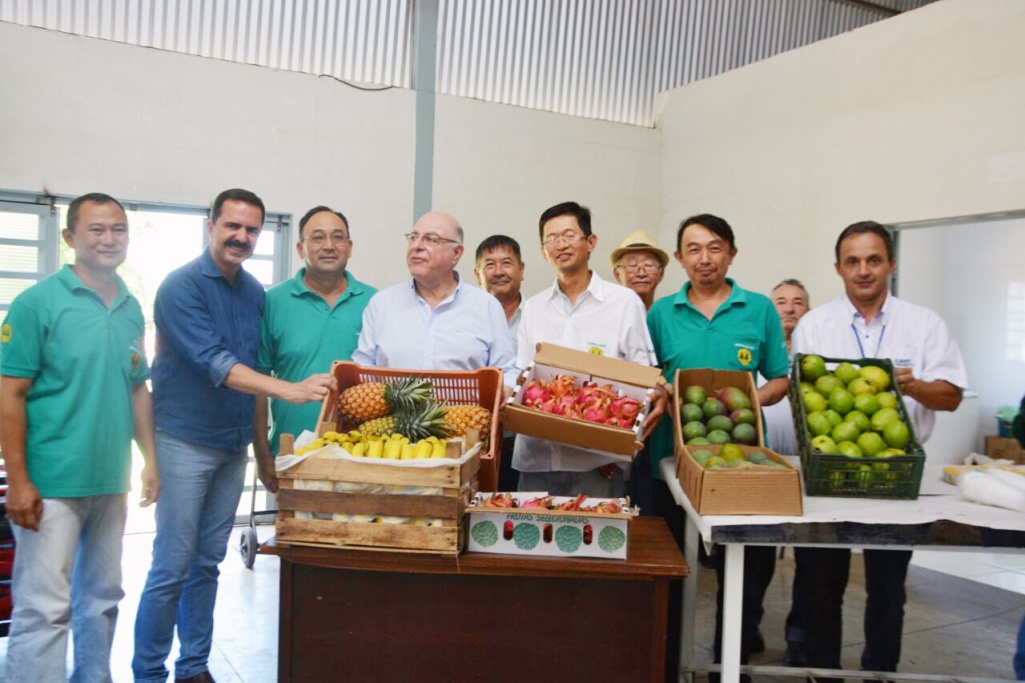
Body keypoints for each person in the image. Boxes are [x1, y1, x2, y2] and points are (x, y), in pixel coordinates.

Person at [133, 189, 336, 683]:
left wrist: (258, 448)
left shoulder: (251, 293)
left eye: (251, 230)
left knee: (207, 562)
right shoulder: (180, 287)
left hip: (231, 447)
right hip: (183, 441)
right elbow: (219, 365)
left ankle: (193, 667)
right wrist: (290, 390)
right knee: (172, 565)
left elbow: (251, 369)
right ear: (211, 226)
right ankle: (148, 672)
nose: (241, 238)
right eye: (232, 227)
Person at [791, 220, 968, 681]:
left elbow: (950, 396)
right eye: (853, 261)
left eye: (873, 260)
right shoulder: (815, 325)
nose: (863, 270)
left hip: (895, 478)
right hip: (829, 476)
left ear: (891, 263)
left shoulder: (923, 324)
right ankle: (821, 671)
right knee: (821, 586)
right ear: (838, 268)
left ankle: (881, 672)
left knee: (888, 589)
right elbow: (806, 400)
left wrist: (915, 385)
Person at [0, 193, 159, 682]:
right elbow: (10, 394)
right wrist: (20, 482)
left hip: (110, 483)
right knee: (44, 608)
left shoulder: (131, 309)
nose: (109, 239)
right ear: (70, 237)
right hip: (51, 484)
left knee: (102, 598)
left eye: (118, 229)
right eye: (96, 229)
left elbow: (137, 389)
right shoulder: (37, 304)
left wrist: (149, 460)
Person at [646, 213, 790, 681]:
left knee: (742, 575)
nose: (704, 258)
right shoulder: (661, 313)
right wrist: (661, 392)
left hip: (741, 461)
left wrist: (750, 399)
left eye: (714, 247)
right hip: (670, 461)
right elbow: (647, 375)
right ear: (680, 258)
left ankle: (732, 666)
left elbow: (780, 378)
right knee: (670, 573)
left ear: (731, 252)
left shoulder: (759, 309)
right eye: (693, 249)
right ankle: (667, 667)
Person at [512, 201, 666, 499]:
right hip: (537, 461)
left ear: (590, 242)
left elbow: (643, 378)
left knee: (593, 543)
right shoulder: (533, 309)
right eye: (551, 239)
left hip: (598, 464)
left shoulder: (623, 303)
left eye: (569, 235)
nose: (561, 245)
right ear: (544, 251)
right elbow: (523, 376)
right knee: (533, 542)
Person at [253, 205, 376, 493]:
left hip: (362, 454)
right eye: (317, 238)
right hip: (292, 452)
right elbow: (257, 388)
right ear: (300, 248)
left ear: (350, 246)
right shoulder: (272, 302)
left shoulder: (376, 302)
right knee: (296, 536)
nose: (329, 246)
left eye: (338, 237)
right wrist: (262, 457)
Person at [352, 211, 518, 385]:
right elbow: (363, 366)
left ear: (456, 253)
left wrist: (506, 387)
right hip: (392, 412)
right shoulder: (382, 303)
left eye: (430, 239)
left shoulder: (486, 306)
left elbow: (506, 371)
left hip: (464, 411)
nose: (416, 246)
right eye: (413, 237)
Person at [762, 278, 812, 665]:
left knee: (812, 563)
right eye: (781, 301)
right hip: (763, 467)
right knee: (757, 558)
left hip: (809, 469)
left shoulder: (815, 355)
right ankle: (747, 629)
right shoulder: (760, 351)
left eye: (797, 302)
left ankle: (800, 638)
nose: (789, 308)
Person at [474, 234, 526, 491]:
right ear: (477, 273)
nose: (498, 272)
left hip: (524, 439)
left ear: (521, 270)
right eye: (489, 265)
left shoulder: (538, 315)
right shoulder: (464, 319)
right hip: (474, 437)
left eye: (506, 263)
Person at [610, 230, 668, 311]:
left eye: (648, 265)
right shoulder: (608, 316)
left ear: (661, 273)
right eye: (632, 265)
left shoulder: (666, 318)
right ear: (617, 274)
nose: (641, 273)